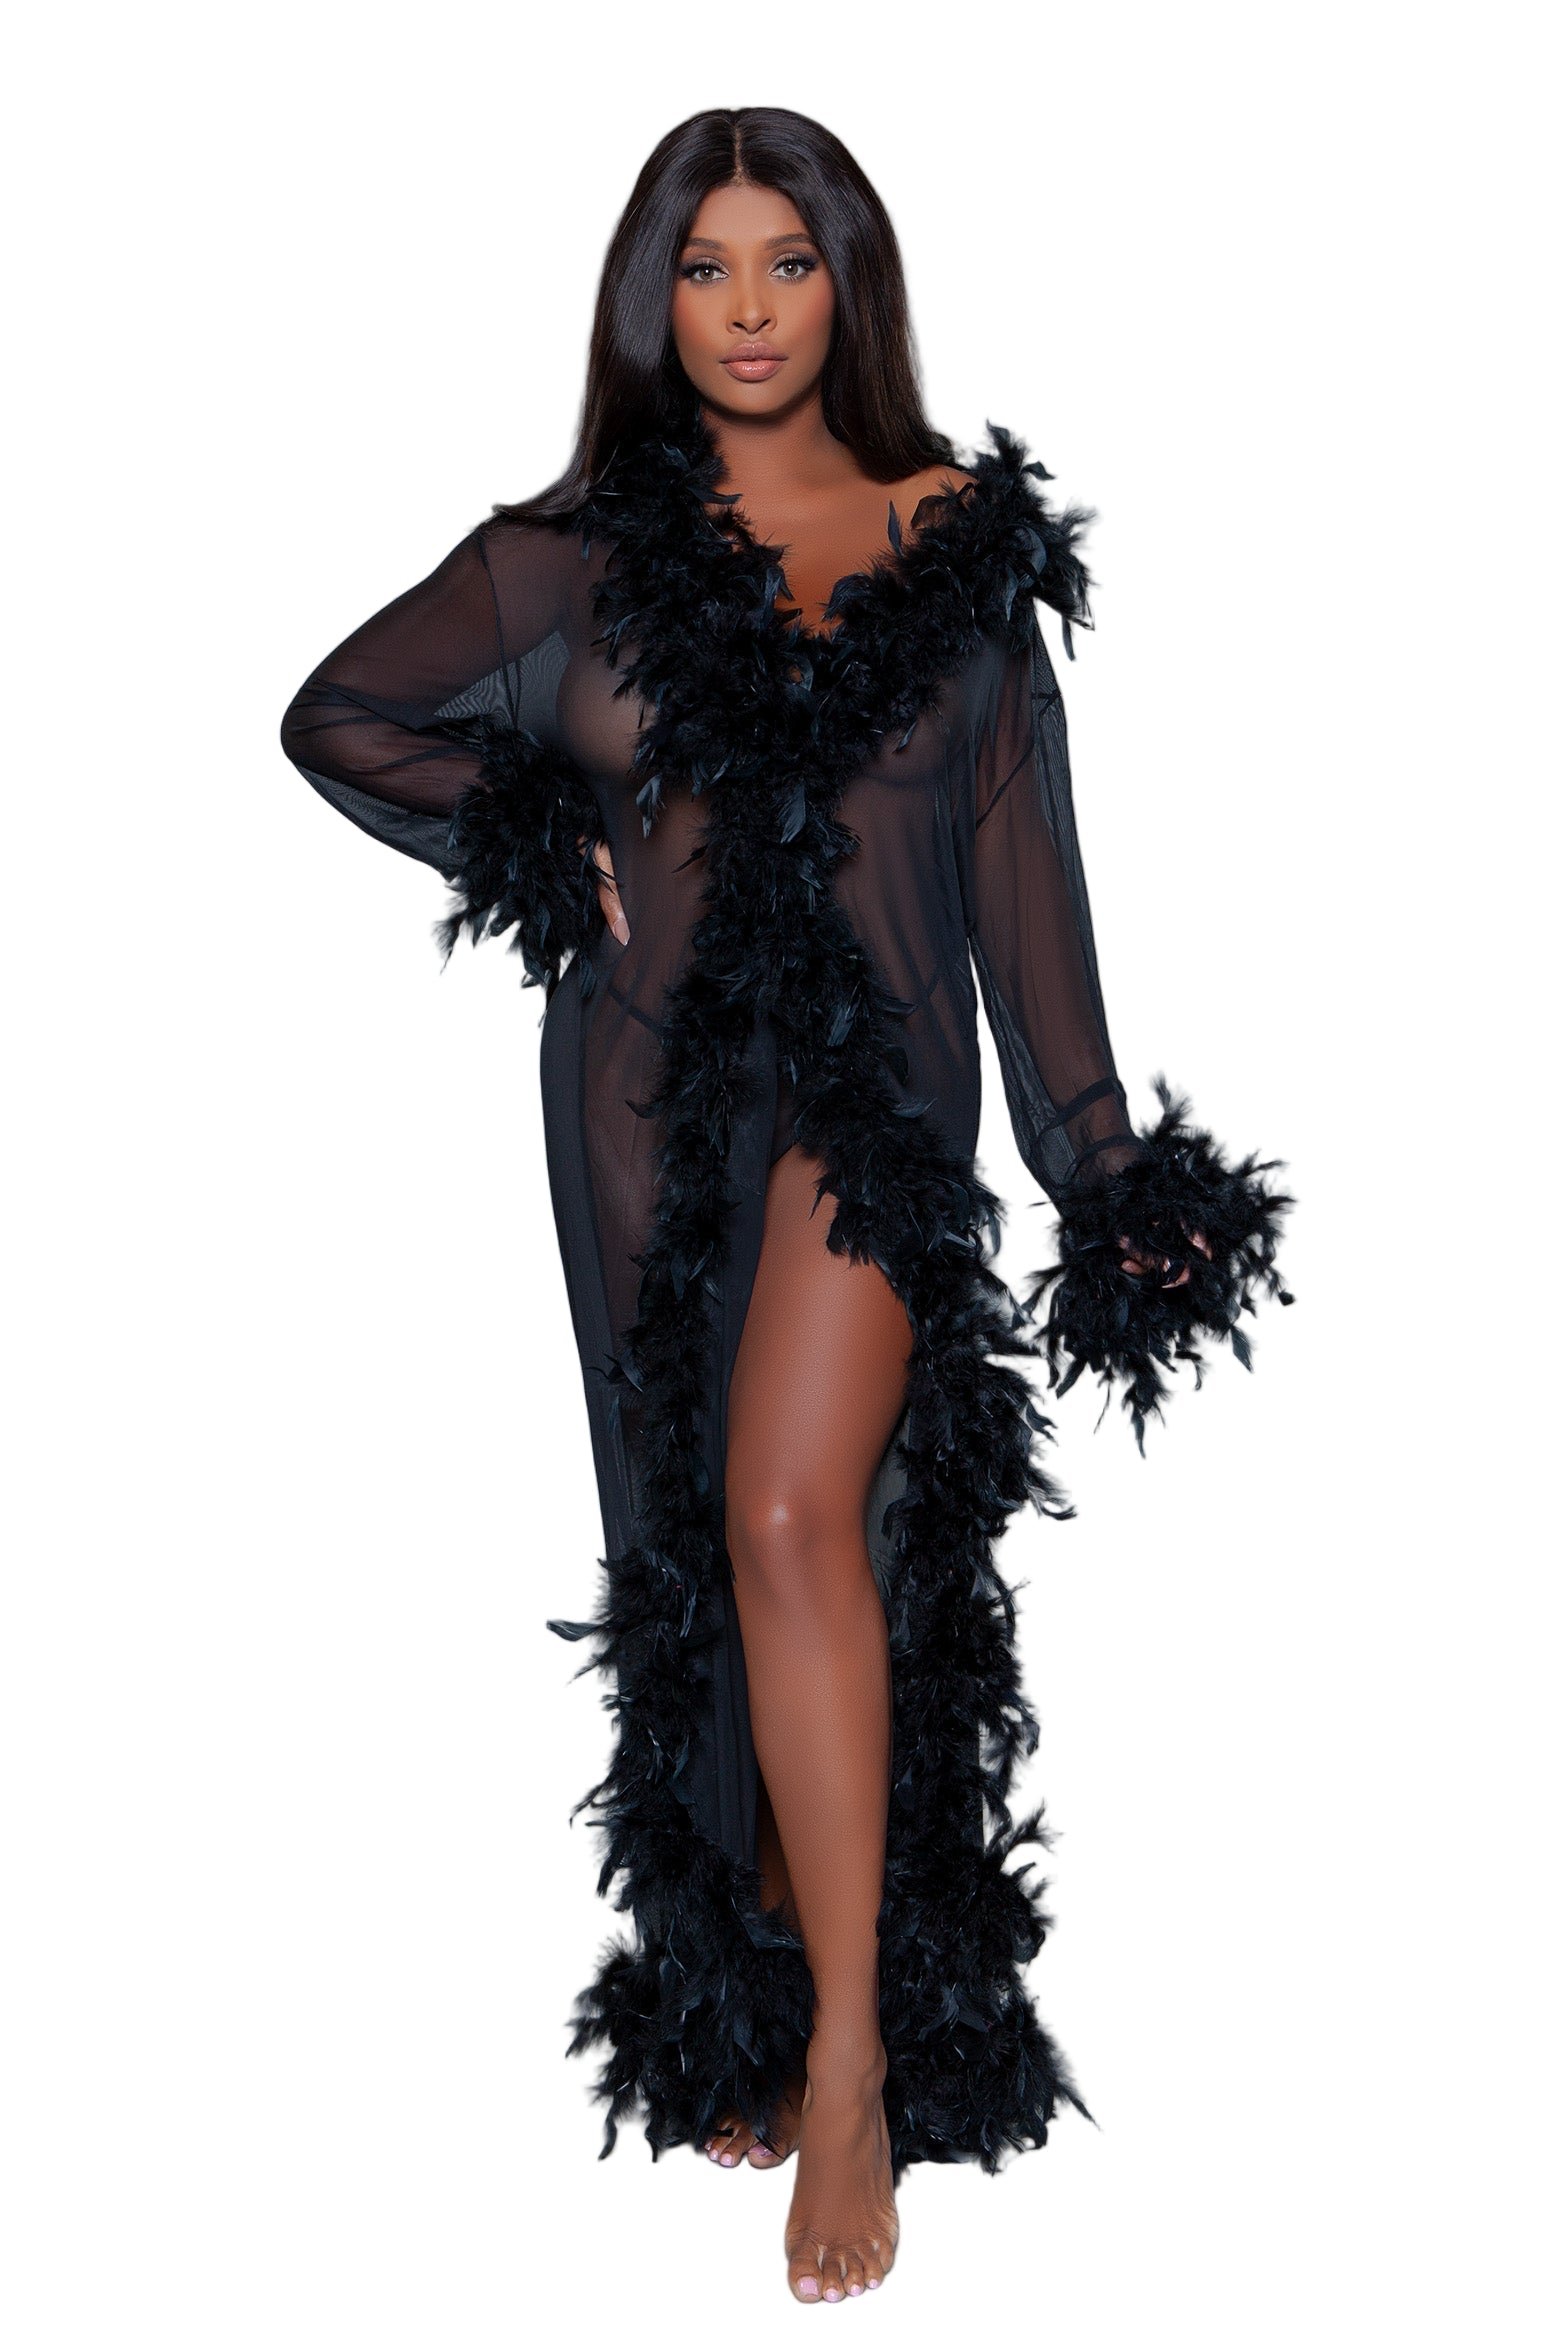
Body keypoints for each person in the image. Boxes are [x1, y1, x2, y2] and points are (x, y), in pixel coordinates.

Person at [278, 104, 1291, 2307]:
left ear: (852, 285)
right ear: (654, 297)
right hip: (644, 1108)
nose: (746, 309)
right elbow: (340, 715)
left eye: (788, 262)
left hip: (877, 1113)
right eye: (706, 266)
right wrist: (537, 826)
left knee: (789, 1509)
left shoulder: (955, 553)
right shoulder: (566, 560)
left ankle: (849, 2060)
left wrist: (1099, 1159)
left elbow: (1024, 882)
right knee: (693, 1542)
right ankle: (746, 1968)